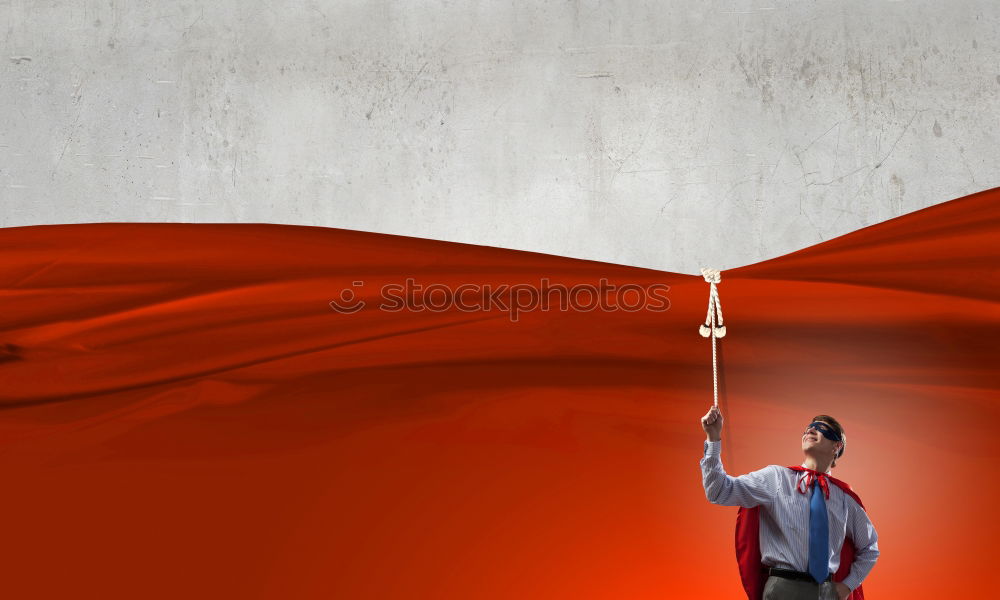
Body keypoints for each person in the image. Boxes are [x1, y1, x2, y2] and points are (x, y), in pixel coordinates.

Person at [699, 405, 879, 600]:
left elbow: (870, 548)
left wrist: (847, 586)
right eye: (809, 427)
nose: (811, 429)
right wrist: (713, 438)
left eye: (822, 428)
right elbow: (718, 491)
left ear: (837, 446)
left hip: (826, 592)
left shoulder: (845, 499)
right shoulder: (776, 478)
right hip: (782, 589)